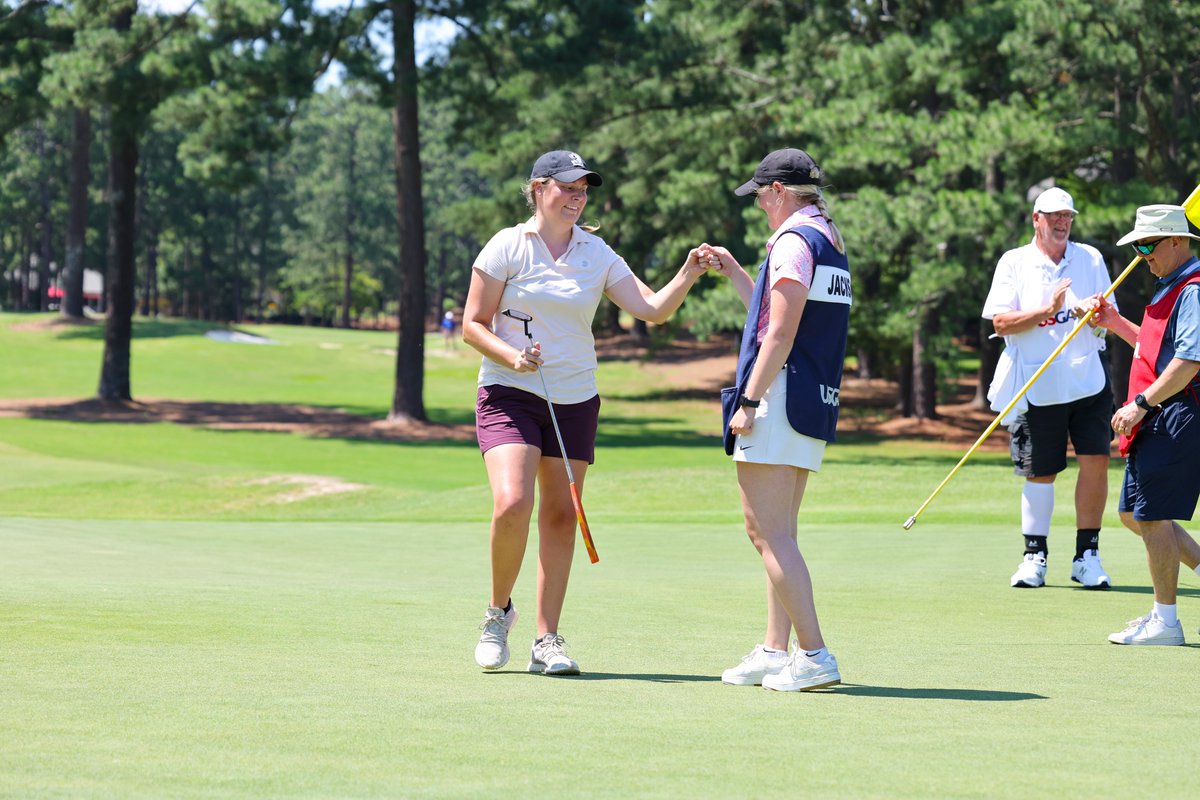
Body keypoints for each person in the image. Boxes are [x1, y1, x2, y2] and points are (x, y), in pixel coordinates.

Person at [462, 150, 712, 675]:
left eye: (584, 190)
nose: (577, 197)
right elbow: (473, 323)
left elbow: (652, 310)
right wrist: (513, 356)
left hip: (575, 399)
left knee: (560, 514)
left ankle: (546, 640)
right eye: (568, 187)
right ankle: (497, 613)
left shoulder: (597, 253)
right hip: (510, 391)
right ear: (538, 188)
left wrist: (687, 273)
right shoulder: (507, 245)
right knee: (512, 502)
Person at [702, 148, 849, 691]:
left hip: (780, 397)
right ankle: (774, 650)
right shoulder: (826, 238)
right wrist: (739, 271)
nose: (759, 203)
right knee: (780, 533)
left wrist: (748, 401)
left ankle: (813, 655)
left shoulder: (791, 242)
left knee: (765, 533)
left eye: (761, 194)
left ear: (780, 191)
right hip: (810, 400)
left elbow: (780, 336)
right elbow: (776, 313)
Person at [981, 187, 1116, 590]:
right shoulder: (1014, 262)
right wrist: (1050, 310)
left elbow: (1109, 318)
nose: (1062, 222)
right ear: (1036, 219)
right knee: (1041, 471)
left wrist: (1093, 315)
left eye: (1068, 216)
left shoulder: (1090, 257)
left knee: (1095, 461)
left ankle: (1087, 555)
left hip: (1087, 378)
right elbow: (1001, 323)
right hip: (1037, 381)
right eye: (1054, 215)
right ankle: (1034, 556)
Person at [1081, 204, 1200, 645]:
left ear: (1177, 241)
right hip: (1157, 414)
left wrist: (1141, 405)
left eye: (1149, 244)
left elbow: (1188, 362)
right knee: (1135, 514)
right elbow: (1155, 350)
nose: (1143, 254)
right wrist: (1113, 323)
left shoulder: (1192, 289)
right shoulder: (1168, 287)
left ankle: (1166, 622)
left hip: (1173, 413)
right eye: (1138, 246)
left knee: (1153, 518)